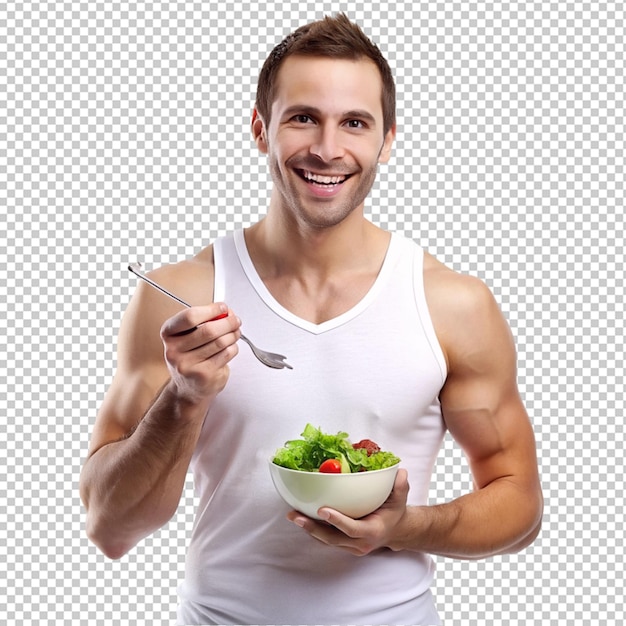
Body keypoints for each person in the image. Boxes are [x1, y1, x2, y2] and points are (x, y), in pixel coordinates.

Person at [80, 13, 543, 625]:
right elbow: (110, 528)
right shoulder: (181, 296)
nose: (327, 148)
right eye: (303, 118)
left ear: (387, 140)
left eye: (354, 123)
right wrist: (185, 399)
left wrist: (404, 528)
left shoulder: (452, 303)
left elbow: (520, 509)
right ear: (259, 129)